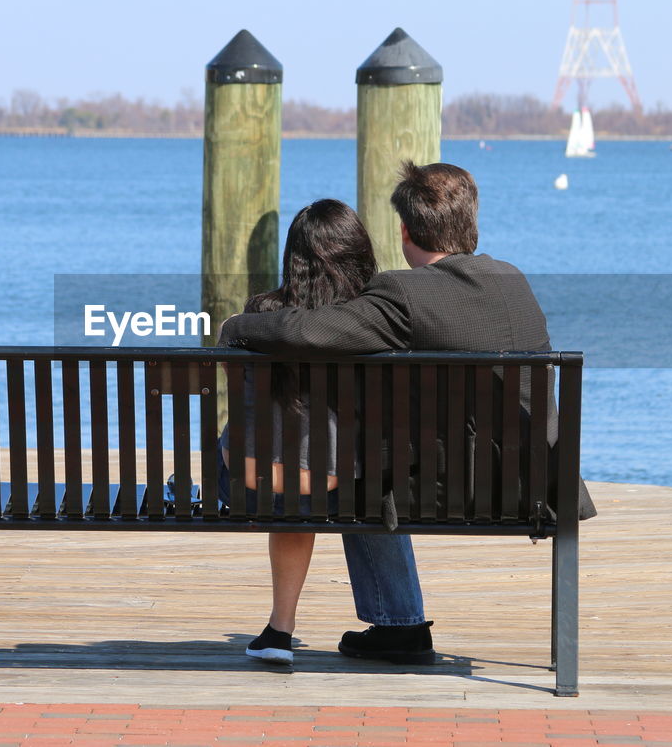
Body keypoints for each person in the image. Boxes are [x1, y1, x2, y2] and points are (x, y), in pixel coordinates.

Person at [221, 160, 597, 666]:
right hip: (535, 486)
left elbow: (310, 331)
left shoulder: (403, 292)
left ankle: (391, 625)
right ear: (471, 221)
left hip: (444, 492)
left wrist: (237, 325)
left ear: (404, 229)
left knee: (354, 471)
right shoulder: (514, 280)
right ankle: (399, 627)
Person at [216, 198, 376, 665]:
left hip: (245, 484)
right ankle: (285, 628)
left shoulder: (259, 313)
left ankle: (280, 630)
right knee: (309, 474)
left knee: (277, 460)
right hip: (333, 488)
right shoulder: (370, 321)